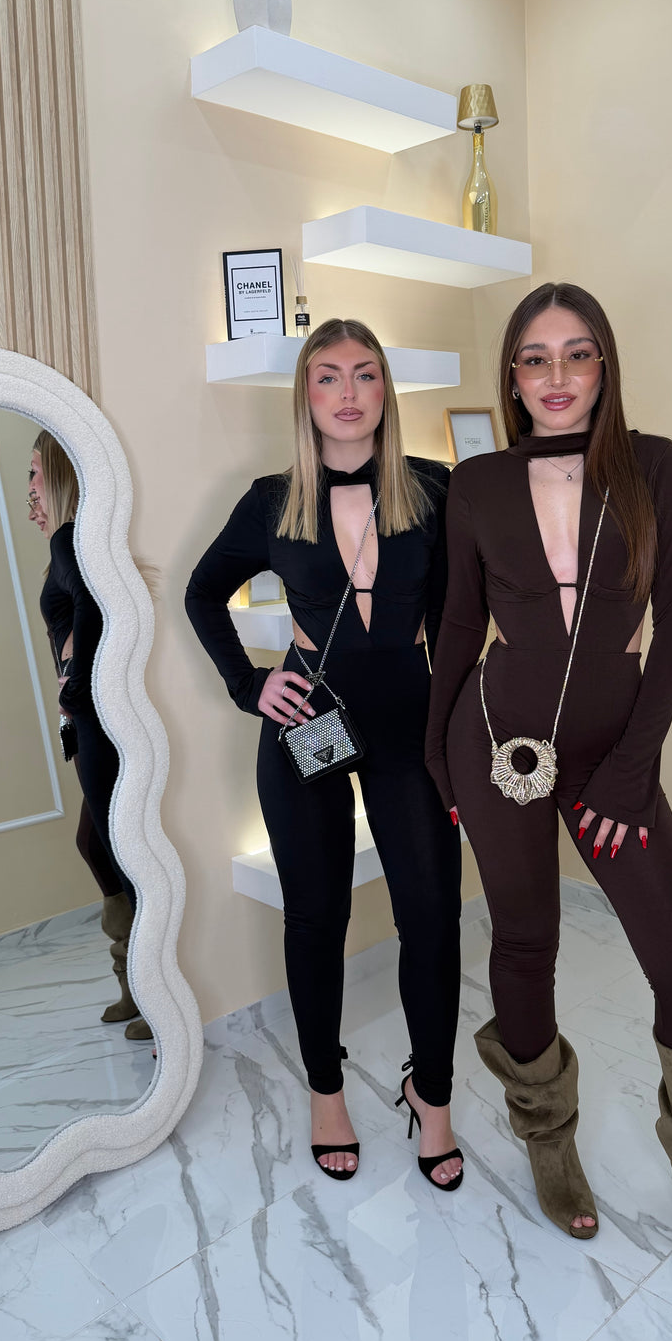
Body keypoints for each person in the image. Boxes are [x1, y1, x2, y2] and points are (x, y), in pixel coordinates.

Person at [425, 283, 672, 1291]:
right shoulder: (476, 482)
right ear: (512, 376)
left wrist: (631, 769)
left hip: (616, 756)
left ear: (604, 365)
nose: (555, 375)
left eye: (576, 354)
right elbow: (457, 627)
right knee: (525, 943)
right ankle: (547, 1140)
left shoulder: (653, 466)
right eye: (534, 358)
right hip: (496, 748)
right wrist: (440, 758)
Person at [186, 319, 464, 1189]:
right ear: (305, 395)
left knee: (433, 917)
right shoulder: (273, 499)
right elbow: (201, 592)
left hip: (409, 722)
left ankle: (434, 1095)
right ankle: (326, 1092)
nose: (349, 393)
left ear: (386, 390)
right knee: (316, 917)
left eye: (366, 374)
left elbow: (461, 620)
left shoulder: (436, 489)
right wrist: (250, 684)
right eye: (329, 376)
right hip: (307, 720)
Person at [28, 430, 152, 1043]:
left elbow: (94, 614)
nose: (29, 492)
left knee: (121, 852)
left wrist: (73, 691)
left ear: (58, 476)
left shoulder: (69, 540)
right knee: (96, 841)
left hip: (97, 719)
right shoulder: (76, 543)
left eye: (34, 475)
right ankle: (133, 981)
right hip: (96, 719)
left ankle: (152, 993)